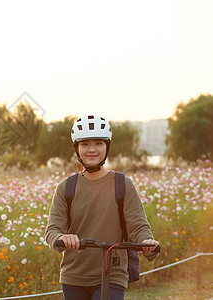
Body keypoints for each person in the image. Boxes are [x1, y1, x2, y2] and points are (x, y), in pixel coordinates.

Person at [45, 114, 159, 300]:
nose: (92, 150)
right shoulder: (66, 187)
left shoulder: (122, 184)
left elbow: (138, 226)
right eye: (85, 144)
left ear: (107, 146)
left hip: (112, 274)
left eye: (98, 143)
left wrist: (147, 242)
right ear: (77, 148)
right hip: (73, 276)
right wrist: (62, 238)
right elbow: (53, 230)